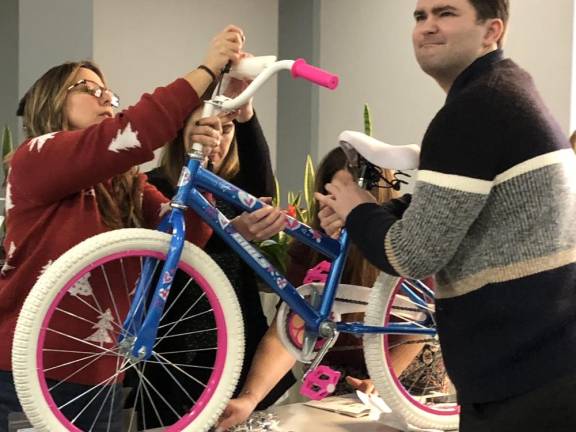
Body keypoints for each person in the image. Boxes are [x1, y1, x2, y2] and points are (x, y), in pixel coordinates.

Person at [0, 25, 285, 431]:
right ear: (50, 99)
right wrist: (207, 68)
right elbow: (135, 131)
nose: (105, 100)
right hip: (26, 372)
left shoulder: (125, 182)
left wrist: (198, 159)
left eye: (110, 95)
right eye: (88, 88)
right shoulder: (36, 157)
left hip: (104, 376)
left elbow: (184, 230)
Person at [316, 1, 576, 431]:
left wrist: (357, 207)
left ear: (492, 30)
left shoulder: (476, 107)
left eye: (446, 13)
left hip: (526, 377)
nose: (427, 27)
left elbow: (411, 256)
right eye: (420, 17)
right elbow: (450, 208)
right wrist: (365, 214)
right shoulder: (505, 90)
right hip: (543, 364)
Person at [216, 147, 426, 431]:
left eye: (342, 197)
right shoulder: (309, 249)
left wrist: (382, 380)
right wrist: (249, 400)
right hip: (344, 389)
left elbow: (421, 326)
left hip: (412, 380)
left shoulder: (401, 242)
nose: (331, 206)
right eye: (326, 195)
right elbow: (288, 332)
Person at [142, 76, 294, 423]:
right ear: (181, 132)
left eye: (226, 129)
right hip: (178, 340)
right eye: (205, 126)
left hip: (237, 332)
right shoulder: (157, 186)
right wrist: (228, 234)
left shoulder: (230, 187)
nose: (217, 138)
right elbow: (167, 256)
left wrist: (247, 115)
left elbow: (262, 189)